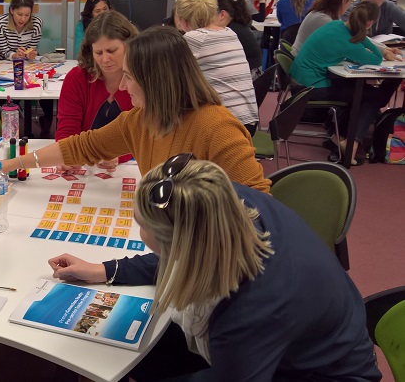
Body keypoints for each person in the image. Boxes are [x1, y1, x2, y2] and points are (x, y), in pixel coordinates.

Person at [47, 155, 382, 381]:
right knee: (137, 347)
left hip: (315, 372)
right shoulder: (220, 200)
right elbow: (182, 248)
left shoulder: (252, 310)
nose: (139, 233)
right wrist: (106, 269)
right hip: (284, 342)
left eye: (143, 227)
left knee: (138, 353)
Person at [0, 26, 271, 194]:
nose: (122, 85)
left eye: (130, 76)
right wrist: (10, 164)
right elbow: (83, 146)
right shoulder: (140, 120)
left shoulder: (216, 128)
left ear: (156, 81)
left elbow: (259, 208)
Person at [291, 1, 399, 166]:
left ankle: (338, 138)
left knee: (364, 93)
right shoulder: (349, 42)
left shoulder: (336, 25)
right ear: (370, 23)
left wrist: (364, 35)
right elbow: (376, 58)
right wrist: (378, 47)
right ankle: (351, 145)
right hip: (312, 86)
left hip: (304, 78)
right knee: (373, 96)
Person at [56, 11, 137, 171]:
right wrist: (67, 154)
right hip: (88, 165)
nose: (105, 59)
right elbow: (67, 126)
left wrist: (120, 155)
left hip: (131, 164)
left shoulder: (143, 79)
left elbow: (145, 133)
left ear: (129, 45)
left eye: (112, 51)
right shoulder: (77, 78)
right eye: (98, 53)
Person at [175, 0, 259, 135]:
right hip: (248, 119)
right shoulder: (228, 32)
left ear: (183, 21)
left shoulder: (195, 38)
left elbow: (169, 74)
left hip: (227, 124)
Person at [0, 0, 54, 137]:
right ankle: (7, 129)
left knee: (45, 88)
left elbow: (32, 48)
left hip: (28, 66)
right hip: (4, 66)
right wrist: (14, 55)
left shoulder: (37, 23)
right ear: (11, 10)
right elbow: (3, 50)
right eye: (19, 14)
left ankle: (47, 126)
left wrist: (31, 54)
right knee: (12, 94)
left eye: (27, 15)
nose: (23, 19)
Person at [292, 0, 357, 56]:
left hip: (306, 59)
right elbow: (343, 45)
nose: (350, 4)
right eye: (351, 0)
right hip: (305, 63)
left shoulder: (324, 13)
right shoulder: (323, 19)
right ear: (344, 0)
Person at [214, 0, 262, 75]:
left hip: (248, 75)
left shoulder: (230, 32)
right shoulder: (237, 25)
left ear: (222, 14)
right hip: (254, 73)